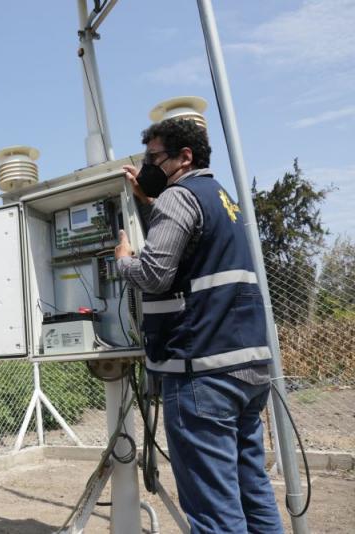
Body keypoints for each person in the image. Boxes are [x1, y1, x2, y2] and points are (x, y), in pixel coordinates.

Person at [114, 118, 283, 532]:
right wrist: (149, 201)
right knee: (252, 489)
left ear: (184, 157)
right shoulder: (221, 198)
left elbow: (154, 275)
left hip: (201, 373)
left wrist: (122, 259)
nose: (149, 166)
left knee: (214, 510)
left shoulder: (179, 196)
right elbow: (193, 253)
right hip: (246, 368)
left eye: (154, 158)